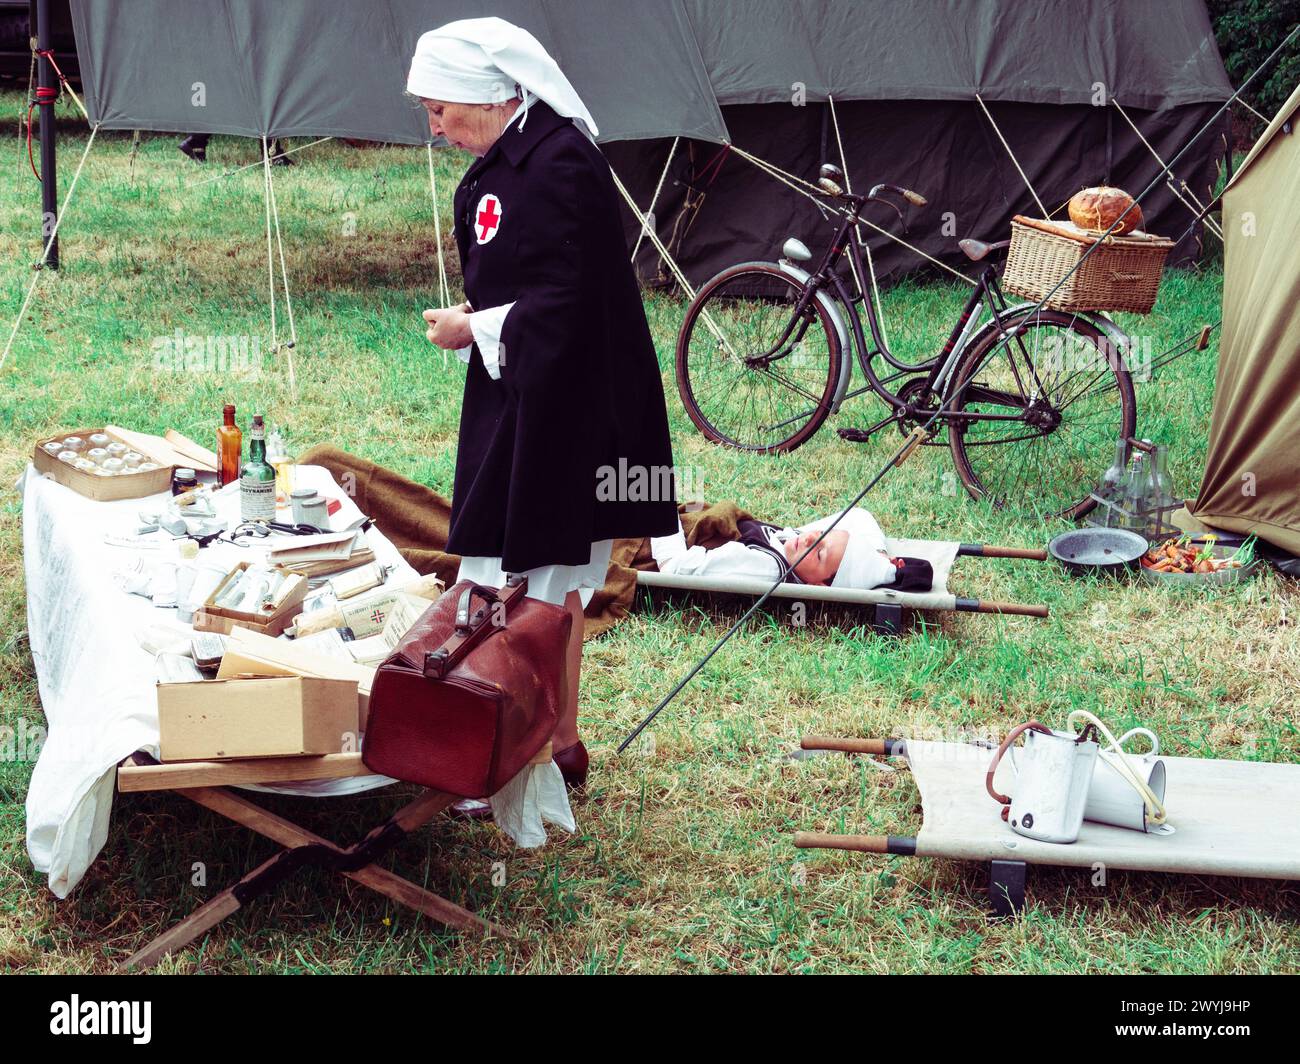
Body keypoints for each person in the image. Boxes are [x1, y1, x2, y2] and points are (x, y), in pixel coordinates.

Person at [411, 18, 678, 793]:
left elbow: (568, 303)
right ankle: (555, 742)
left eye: (438, 108)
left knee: (522, 582)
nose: (433, 126)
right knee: (547, 584)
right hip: (532, 389)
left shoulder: (557, 163)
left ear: (484, 95)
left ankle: (520, 750)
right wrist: (485, 322)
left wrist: (476, 326)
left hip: (563, 406)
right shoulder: (522, 153)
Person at [651, 508, 933, 590]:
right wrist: (879, 557)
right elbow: (859, 516)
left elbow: (674, 567)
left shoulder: (766, 567)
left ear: (821, 585)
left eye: (820, 554)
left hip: (655, 532)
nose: (811, 539)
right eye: (822, 535)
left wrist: (657, 502)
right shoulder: (800, 547)